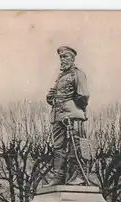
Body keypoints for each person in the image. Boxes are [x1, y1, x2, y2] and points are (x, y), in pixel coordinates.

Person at [46, 46, 90, 186]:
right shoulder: (60, 77)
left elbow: (83, 95)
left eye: (65, 57)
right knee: (57, 146)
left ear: (72, 58)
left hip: (72, 114)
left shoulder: (78, 74)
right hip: (58, 115)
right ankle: (58, 177)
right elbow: (53, 95)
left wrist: (76, 108)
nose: (63, 60)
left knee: (75, 144)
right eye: (61, 57)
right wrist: (50, 97)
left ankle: (77, 176)